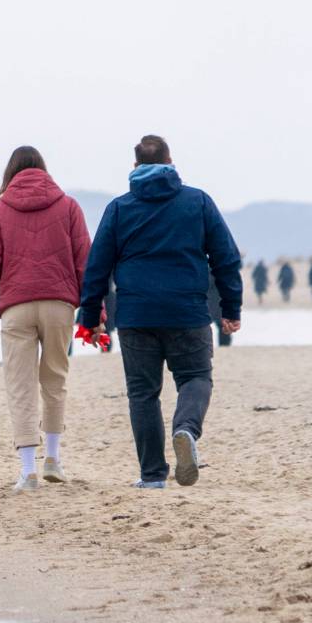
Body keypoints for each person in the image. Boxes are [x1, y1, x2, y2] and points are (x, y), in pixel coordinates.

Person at [79, 135, 242, 489]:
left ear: (135, 167)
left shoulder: (120, 208)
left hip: (136, 315)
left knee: (142, 394)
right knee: (196, 378)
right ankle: (186, 429)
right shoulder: (197, 202)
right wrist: (230, 308)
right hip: (188, 311)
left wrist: (90, 316)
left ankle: (153, 476)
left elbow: (97, 267)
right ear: (171, 163)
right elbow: (226, 258)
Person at [0, 145, 91, 491]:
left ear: (10, 173)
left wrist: (6, 280)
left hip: (17, 306)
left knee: (20, 384)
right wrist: (94, 308)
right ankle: (53, 458)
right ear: (44, 170)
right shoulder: (69, 205)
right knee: (55, 378)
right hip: (59, 304)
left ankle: (28, 470)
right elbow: (86, 261)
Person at [207, 275, 233, 347]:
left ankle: (223, 345)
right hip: (219, 303)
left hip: (214, 303)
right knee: (223, 326)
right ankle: (224, 345)